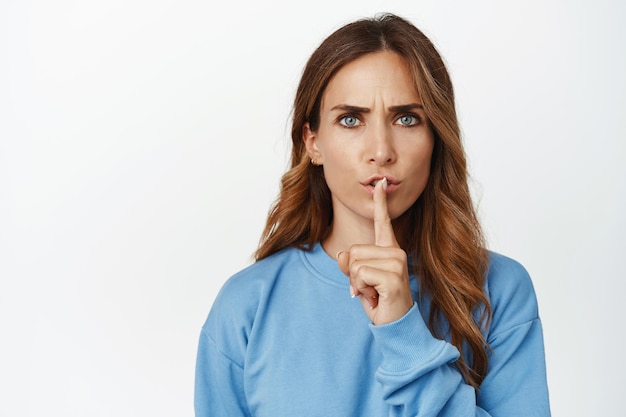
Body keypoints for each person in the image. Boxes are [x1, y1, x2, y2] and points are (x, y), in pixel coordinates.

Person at [194, 13, 550, 417]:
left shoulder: (498, 291)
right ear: (313, 143)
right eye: (350, 119)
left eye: (406, 119)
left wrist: (404, 331)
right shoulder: (246, 306)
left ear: (436, 139)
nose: (381, 150)